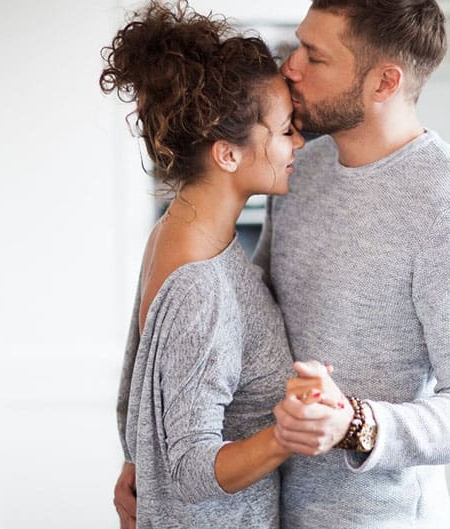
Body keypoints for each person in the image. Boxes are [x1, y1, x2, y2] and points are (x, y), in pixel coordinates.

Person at [257, 1, 450, 527]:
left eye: (315, 56)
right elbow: (257, 302)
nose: (291, 67)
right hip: (268, 505)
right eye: (298, 45)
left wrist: (354, 423)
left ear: (383, 82)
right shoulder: (301, 163)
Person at [100, 2, 310, 528]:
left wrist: (135, 461)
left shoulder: (176, 232)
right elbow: (192, 470)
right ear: (227, 154)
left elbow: (137, 394)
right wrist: (289, 433)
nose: (298, 143)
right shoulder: (200, 284)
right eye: (285, 130)